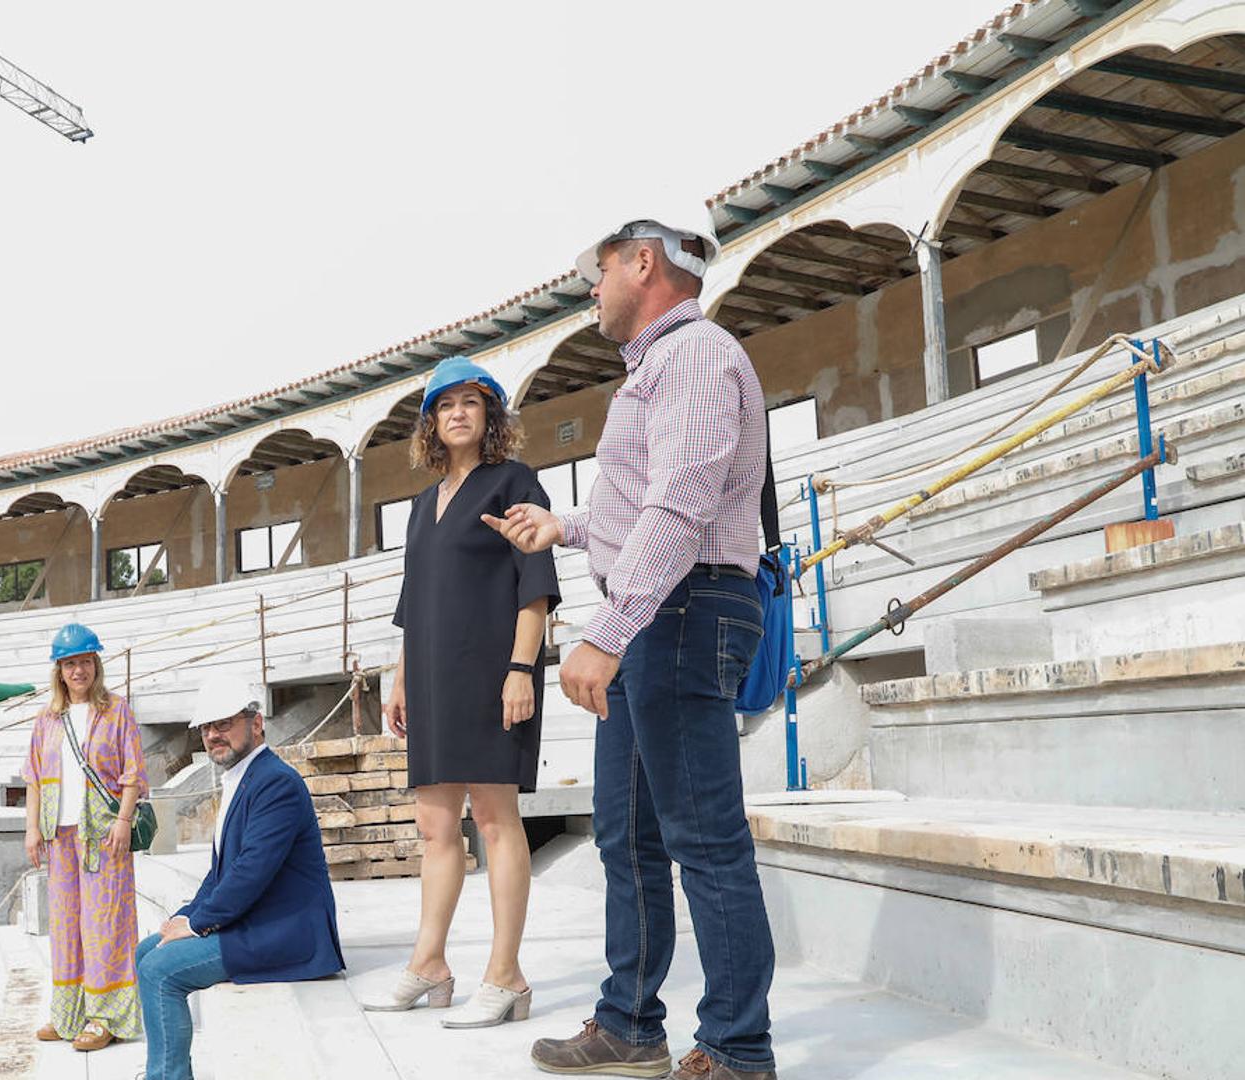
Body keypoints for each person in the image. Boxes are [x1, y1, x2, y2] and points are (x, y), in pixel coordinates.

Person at [487, 208, 777, 1080]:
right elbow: (644, 505)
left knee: (703, 838)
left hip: (680, 611)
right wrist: (565, 528)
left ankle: (737, 1049)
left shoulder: (693, 354)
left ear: (643, 262)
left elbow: (682, 505)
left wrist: (606, 633)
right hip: (664, 609)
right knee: (629, 835)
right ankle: (630, 1024)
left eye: (601, 269)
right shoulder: (663, 366)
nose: (591, 288)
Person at [367, 358, 560, 1028]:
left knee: (497, 819)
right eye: (444, 404)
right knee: (435, 826)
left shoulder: (514, 481)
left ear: (489, 416)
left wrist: (519, 669)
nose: (457, 413)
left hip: (491, 672)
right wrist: (400, 677)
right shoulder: (421, 506)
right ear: (430, 421)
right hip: (431, 676)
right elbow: (413, 602)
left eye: (471, 403)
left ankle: (507, 976)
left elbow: (535, 586)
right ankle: (431, 963)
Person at [135, 673, 344, 1080]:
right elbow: (221, 872)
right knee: (148, 951)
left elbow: (251, 872)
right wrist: (185, 915)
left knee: (160, 971)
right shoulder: (241, 777)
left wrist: (197, 924)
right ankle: (162, 1070)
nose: (214, 735)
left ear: (256, 722)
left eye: (224, 724)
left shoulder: (275, 783)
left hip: (286, 932)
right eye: (207, 728)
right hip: (256, 919)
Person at [22, 622, 147, 1052]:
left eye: (86, 661)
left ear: (97, 664)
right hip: (61, 836)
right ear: (59, 669)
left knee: (105, 923)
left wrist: (124, 821)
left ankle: (105, 1015)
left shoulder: (117, 710)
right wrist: (32, 830)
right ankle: (68, 1014)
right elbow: (35, 779)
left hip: (103, 834)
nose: (79, 670)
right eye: (70, 663)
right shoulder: (47, 719)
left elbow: (133, 773)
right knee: (66, 925)